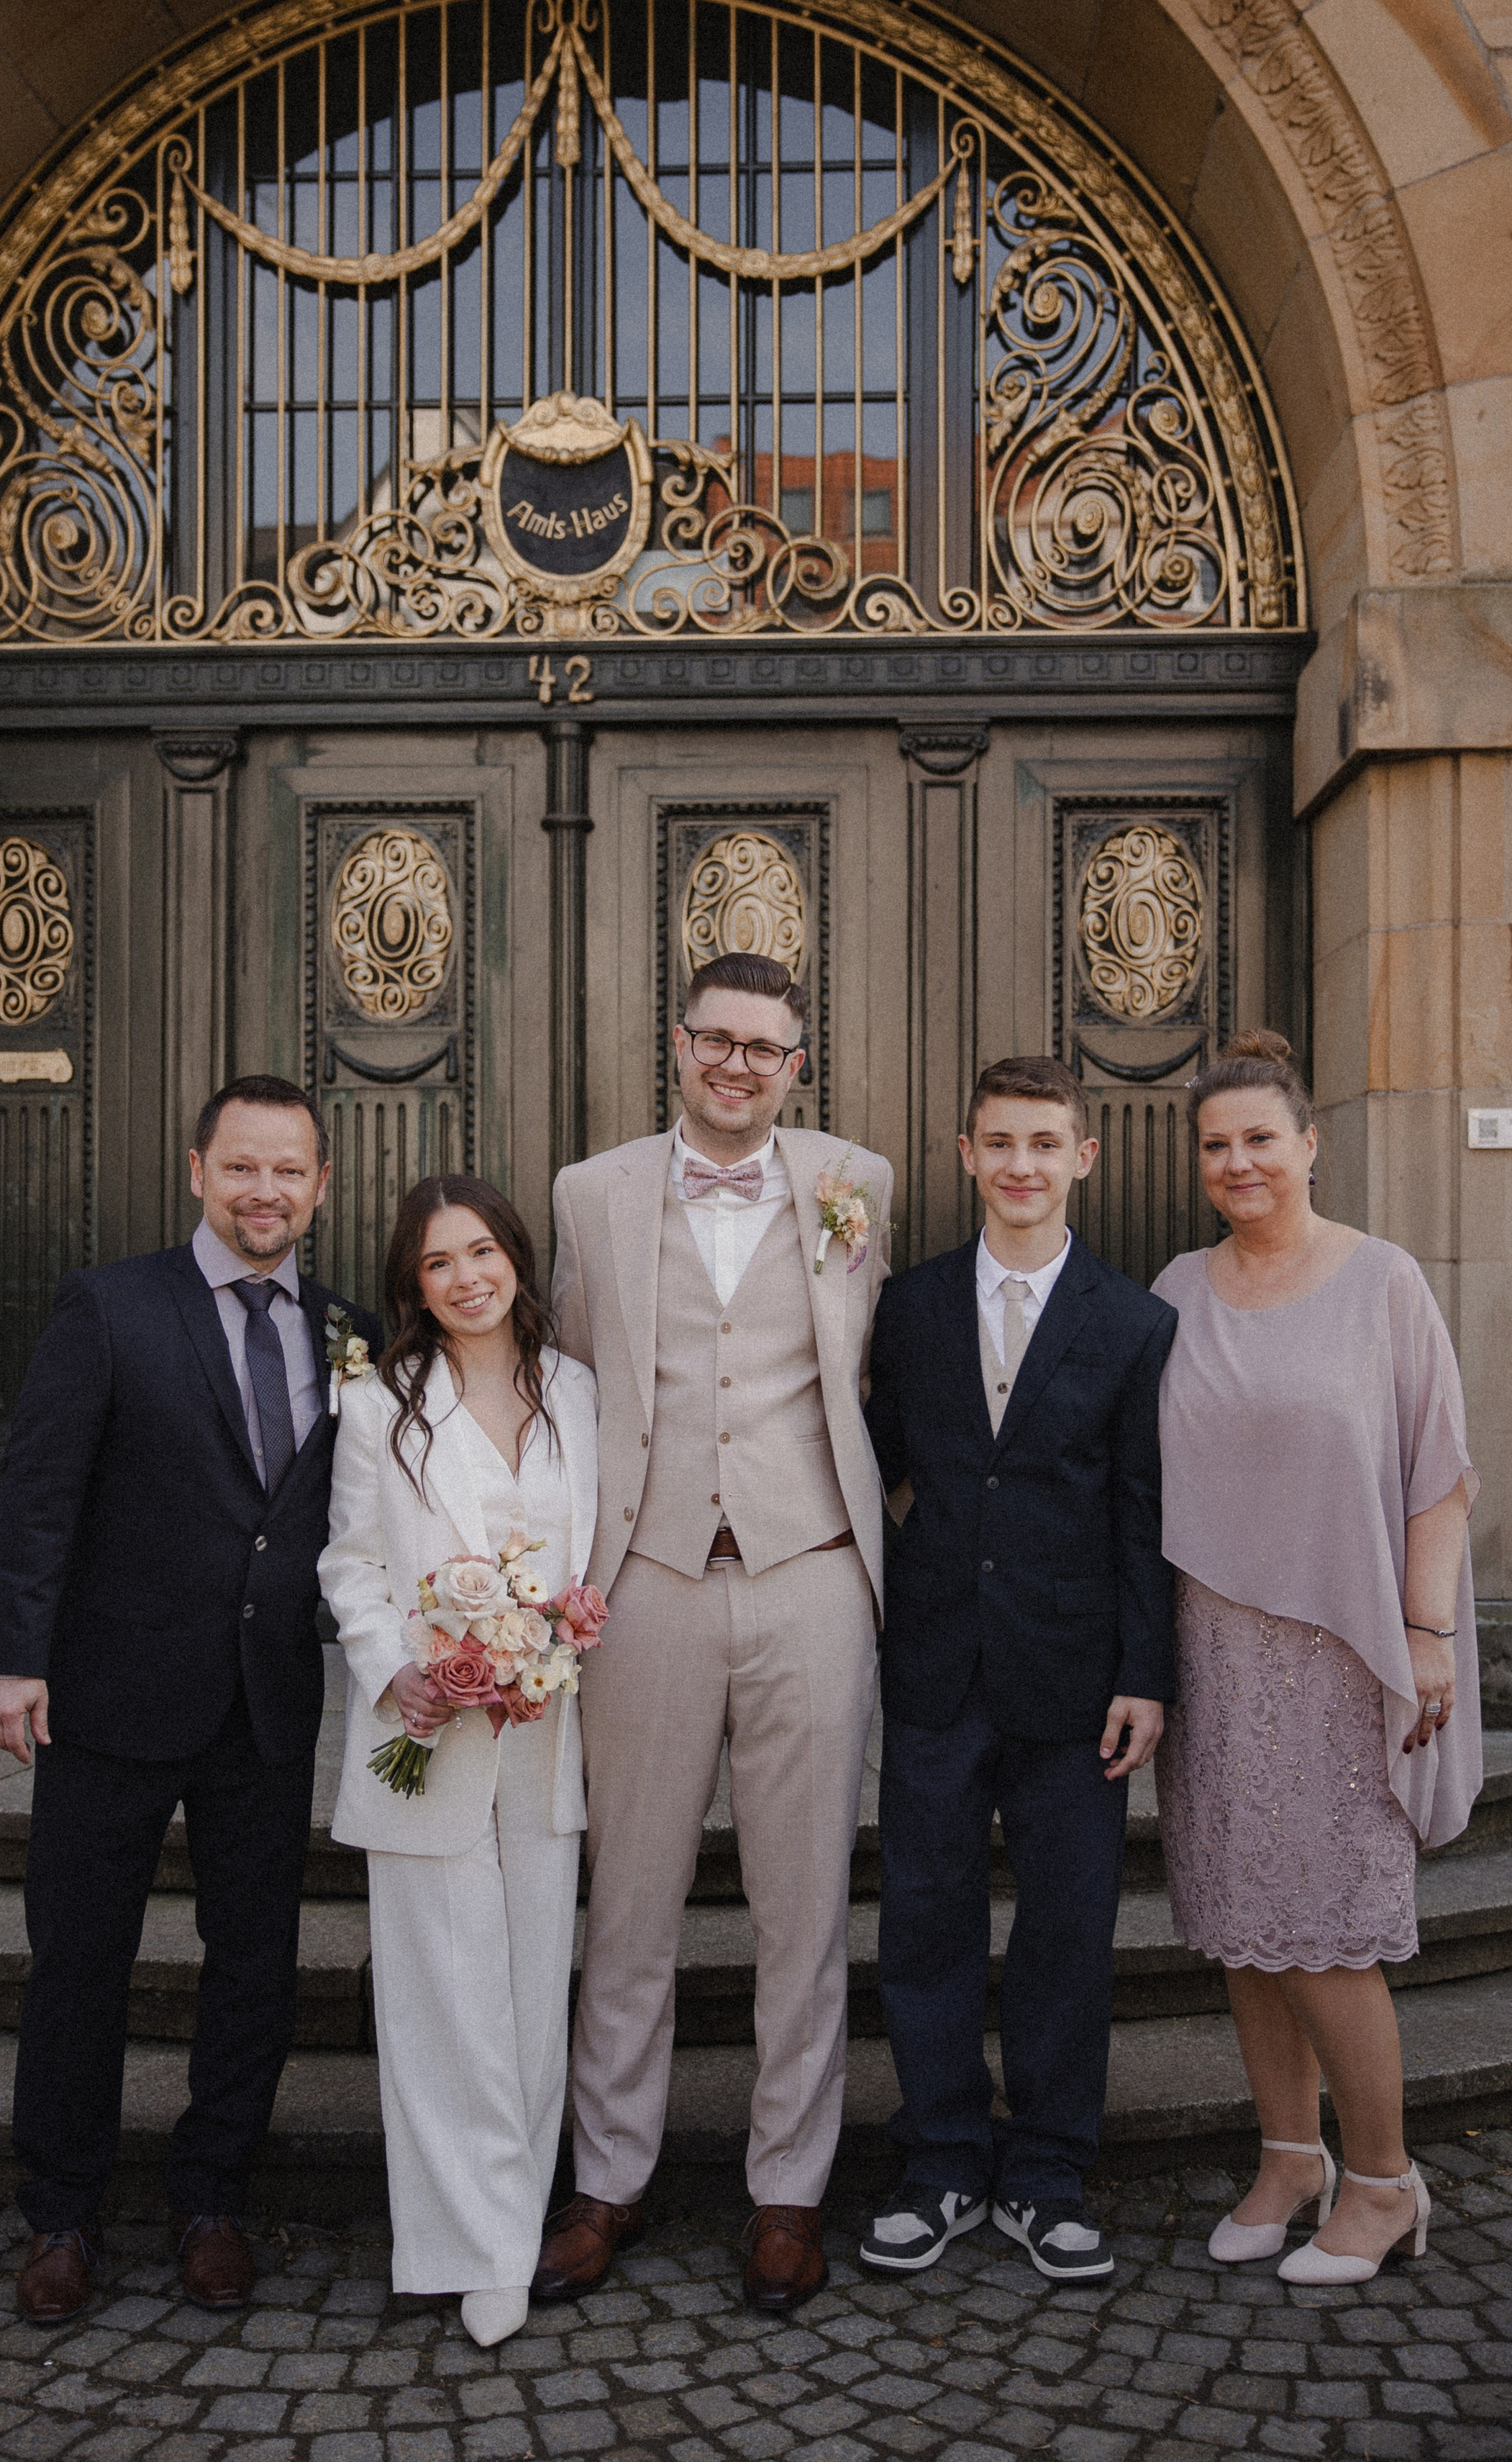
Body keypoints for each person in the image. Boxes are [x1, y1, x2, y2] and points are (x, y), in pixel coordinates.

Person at [0, 1076, 379, 2322]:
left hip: (265, 1706)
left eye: (290, 1171)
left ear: (321, 1186)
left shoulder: (345, 1329)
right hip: (111, 1697)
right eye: (242, 1167)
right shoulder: (109, 1306)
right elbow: (41, 1494)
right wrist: (10, 1656)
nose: (267, 1191)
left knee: (252, 1965)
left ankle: (212, 2200)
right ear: (198, 1171)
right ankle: (62, 2213)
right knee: (82, 1963)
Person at [537, 950, 893, 2312]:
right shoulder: (593, 1192)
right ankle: (608, 2180)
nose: (740, 1065)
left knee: (802, 1907)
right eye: (718, 1041)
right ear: (678, 1045)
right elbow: (576, 1368)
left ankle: (790, 2191)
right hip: (649, 1578)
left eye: (768, 1049)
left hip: (811, 1571)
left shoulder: (855, 1179)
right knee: (630, 1900)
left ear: (797, 1066)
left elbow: (856, 1364)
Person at [1151, 1029, 1481, 2286]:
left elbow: (1440, 1472)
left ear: (1309, 1144)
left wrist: (1427, 1627)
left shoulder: (1383, 1279)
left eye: (1261, 1141)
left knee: (1329, 1930)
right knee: (1245, 1922)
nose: (1239, 1163)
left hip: (1347, 1649)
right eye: (1218, 1146)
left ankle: (1388, 2182)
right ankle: (1291, 2157)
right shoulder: (1177, 1289)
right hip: (1215, 1648)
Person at [862, 1055, 1175, 2283]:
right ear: (965, 1153)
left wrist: (1145, 1673)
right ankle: (942, 2156)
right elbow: (872, 1460)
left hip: (1076, 1680)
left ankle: (1046, 2169)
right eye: (1001, 1143)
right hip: (936, 1663)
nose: (1023, 1166)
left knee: (1066, 1931)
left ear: (1083, 1157)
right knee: (925, 1922)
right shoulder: (911, 1307)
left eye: (1046, 1143)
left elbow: (1145, 1511)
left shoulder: (1137, 1321)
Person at [319, 1176, 598, 2348]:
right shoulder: (381, 1401)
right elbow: (350, 1565)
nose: (468, 1277)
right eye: (440, 1264)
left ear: (517, 1259)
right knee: (441, 1994)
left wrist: (568, 1630)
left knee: (534, 1990)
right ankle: (455, 2243)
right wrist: (399, 1671)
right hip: (425, 1727)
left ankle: (517, 2224)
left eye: (482, 1252)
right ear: (414, 1286)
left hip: (542, 1725)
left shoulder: (578, 1390)